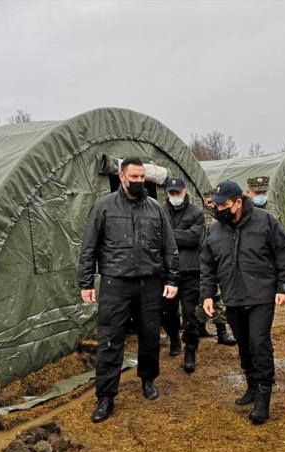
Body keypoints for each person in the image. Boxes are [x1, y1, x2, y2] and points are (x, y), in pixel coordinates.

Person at [79, 157, 178, 423]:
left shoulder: (155, 209)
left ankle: (148, 379)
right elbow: (89, 247)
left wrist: (172, 279)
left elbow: (169, 247)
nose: (138, 182)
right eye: (133, 177)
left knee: (149, 335)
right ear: (121, 177)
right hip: (115, 283)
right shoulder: (104, 207)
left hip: (149, 282)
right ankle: (106, 397)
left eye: (141, 177)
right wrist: (86, 282)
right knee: (110, 339)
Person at [200, 180, 285, 425]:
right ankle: (252, 386)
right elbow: (207, 265)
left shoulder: (265, 221)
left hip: (261, 295)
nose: (219, 208)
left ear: (238, 202)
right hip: (233, 296)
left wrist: (284, 286)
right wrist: (208, 294)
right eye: (216, 204)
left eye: (224, 204)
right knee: (244, 345)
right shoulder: (215, 229)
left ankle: (264, 394)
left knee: (259, 342)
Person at [160, 177, 204, 372]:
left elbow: (194, 238)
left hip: (190, 271)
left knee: (190, 313)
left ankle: (190, 351)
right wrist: (180, 234)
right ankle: (175, 340)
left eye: (178, 192)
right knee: (167, 312)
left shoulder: (196, 212)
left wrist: (169, 235)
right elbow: (155, 236)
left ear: (185, 191)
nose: (175, 196)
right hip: (167, 271)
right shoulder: (160, 211)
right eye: (172, 193)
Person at [194, 191, 236, 346]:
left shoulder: (223, 216)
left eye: (213, 201)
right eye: (207, 200)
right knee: (208, 297)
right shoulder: (200, 215)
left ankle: (214, 329)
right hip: (203, 262)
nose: (210, 203)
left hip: (219, 262)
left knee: (214, 297)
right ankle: (205, 327)